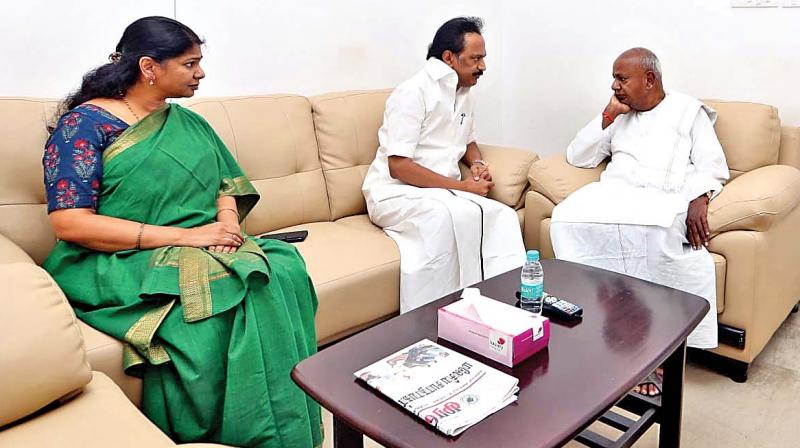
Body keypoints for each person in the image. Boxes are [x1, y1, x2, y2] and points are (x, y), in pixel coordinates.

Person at [42, 16, 321, 447]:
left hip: (198, 240)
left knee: (280, 267)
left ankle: (286, 427)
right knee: (222, 290)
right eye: (190, 64)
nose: (201, 73)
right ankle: (232, 433)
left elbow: (226, 185)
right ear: (150, 67)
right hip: (113, 258)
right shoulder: (83, 126)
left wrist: (227, 224)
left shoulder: (190, 123)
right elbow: (70, 222)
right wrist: (188, 237)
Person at [550, 48, 729, 396]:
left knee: (654, 232)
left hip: (664, 198)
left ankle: (654, 348)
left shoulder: (688, 112)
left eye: (621, 78)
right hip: (617, 194)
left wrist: (700, 197)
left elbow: (711, 166)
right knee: (565, 218)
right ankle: (589, 325)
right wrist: (607, 116)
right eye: (614, 78)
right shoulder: (618, 114)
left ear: (649, 79)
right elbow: (579, 157)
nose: (614, 86)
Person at [362, 17, 526, 312]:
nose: (483, 67)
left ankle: (501, 308)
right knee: (444, 218)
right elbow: (398, 166)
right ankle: (430, 319)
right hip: (394, 192)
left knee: (502, 216)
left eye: (483, 58)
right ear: (449, 58)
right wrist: (464, 186)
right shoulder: (412, 92)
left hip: (442, 192)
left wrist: (477, 164)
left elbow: (468, 142)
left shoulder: (464, 94)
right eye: (476, 58)